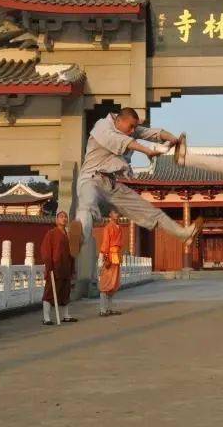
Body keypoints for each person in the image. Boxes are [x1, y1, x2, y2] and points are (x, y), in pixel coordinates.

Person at [77, 108, 202, 291]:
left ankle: (183, 234)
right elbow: (122, 141)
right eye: (130, 127)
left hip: (111, 184)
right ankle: (78, 236)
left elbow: (154, 133)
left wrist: (173, 139)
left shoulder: (130, 128)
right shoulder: (102, 126)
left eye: (134, 128)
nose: (132, 131)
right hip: (91, 178)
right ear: (119, 120)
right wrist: (146, 151)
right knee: (86, 205)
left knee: (150, 211)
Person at [40, 211, 76, 324]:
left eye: (66, 217)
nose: (64, 219)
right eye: (61, 217)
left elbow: (71, 253)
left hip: (66, 268)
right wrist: (49, 266)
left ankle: (66, 315)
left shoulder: (67, 234)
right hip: (55, 268)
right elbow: (45, 251)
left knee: (65, 292)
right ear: (56, 220)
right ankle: (46, 318)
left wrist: (72, 268)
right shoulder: (51, 233)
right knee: (50, 293)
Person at [98, 211, 124, 316]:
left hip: (117, 256)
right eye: (114, 213)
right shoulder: (108, 227)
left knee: (113, 283)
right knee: (106, 282)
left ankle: (109, 308)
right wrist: (103, 257)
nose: (117, 215)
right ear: (110, 215)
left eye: (118, 213)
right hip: (109, 256)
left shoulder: (119, 227)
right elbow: (105, 243)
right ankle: (103, 309)